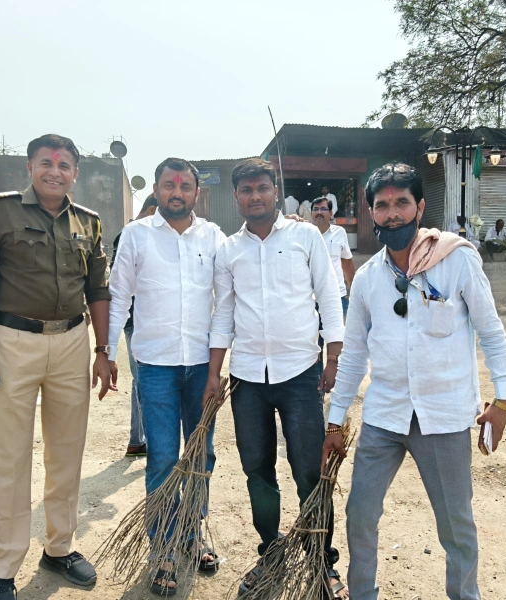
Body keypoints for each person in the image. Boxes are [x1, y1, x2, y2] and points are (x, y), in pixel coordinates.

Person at [322, 163, 506, 600]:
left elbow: (491, 332)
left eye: (401, 203)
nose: (392, 214)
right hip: (385, 416)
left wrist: (502, 402)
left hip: (443, 416)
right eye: (382, 205)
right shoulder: (369, 278)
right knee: (360, 514)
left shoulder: (456, 259)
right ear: (372, 212)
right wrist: (335, 423)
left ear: (420, 207)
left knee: (456, 524)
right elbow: (353, 356)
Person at [0, 133, 113, 600]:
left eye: (65, 164)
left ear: (75, 173)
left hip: (71, 342)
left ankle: (59, 547)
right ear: (30, 168)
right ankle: (3, 567)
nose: (55, 170)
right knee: (8, 456)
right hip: (12, 344)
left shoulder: (88, 222)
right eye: (46, 162)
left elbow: (98, 291)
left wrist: (102, 349)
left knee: (67, 453)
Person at [206, 158, 349, 598]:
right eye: (246, 190)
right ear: (237, 198)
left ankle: (321, 559)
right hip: (247, 379)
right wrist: (215, 372)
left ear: (275, 190)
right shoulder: (229, 250)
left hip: (300, 375)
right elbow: (224, 312)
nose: (255, 196)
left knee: (310, 471)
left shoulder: (305, 236)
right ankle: (270, 551)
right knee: (257, 471)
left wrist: (333, 358)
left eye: (262, 188)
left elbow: (329, 295)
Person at [108, 158, 225, 594]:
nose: (177, 192)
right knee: (161, 457)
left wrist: (291, 224)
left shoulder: (213, 237)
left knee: (201, 456)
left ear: (197, 192)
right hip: (155, 366)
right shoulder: (137, 236)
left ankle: (192, 536)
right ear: (156, 189)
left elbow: (228, 295)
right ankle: (163, 548)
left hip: (201, 368)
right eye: (169, 185)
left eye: (185, 185)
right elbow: (119, 295)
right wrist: (105, 352)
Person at [110, 194, 159, 458]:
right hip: (135, 322)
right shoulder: (131, 235)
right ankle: (143, 438)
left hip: (139, 321)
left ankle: (137, 439)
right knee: (144, 380)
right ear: (151, 209)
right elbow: (120, 286)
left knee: (142, 381)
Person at [312, 197, 356, 316]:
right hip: (310, 299)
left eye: (323, 209)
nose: (319, 212)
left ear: (331, 213)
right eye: (316, 209)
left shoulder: (339, 233)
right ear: (311, 213)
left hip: (336, 297)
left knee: (336, 334)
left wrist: (355, 291)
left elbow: (346, 262)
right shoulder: (303, 234)